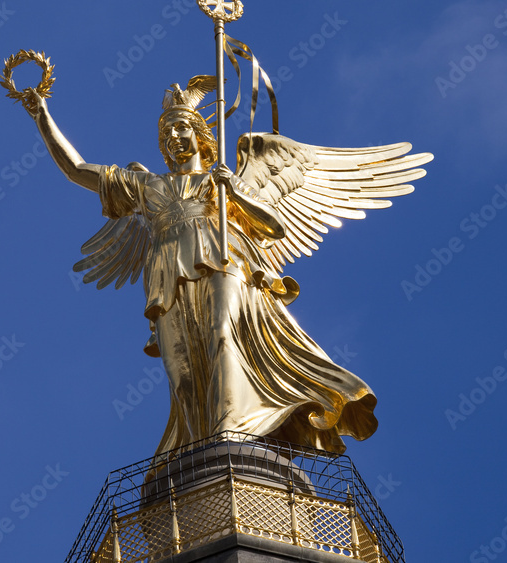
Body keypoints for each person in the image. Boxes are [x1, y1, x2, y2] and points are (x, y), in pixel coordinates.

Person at [23, 81, 394, 458]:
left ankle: (234, 432)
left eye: (181, 128)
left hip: (222, 258)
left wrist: (234, 192)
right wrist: (42, 117)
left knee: (222, 334)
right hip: (168, 272)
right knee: (180, 370)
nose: (173, 138)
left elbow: (274, 227)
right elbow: (76, 170)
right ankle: (200, 442)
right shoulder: (145, 185)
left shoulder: (221, 182)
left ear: (200, 136)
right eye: (166, 134)